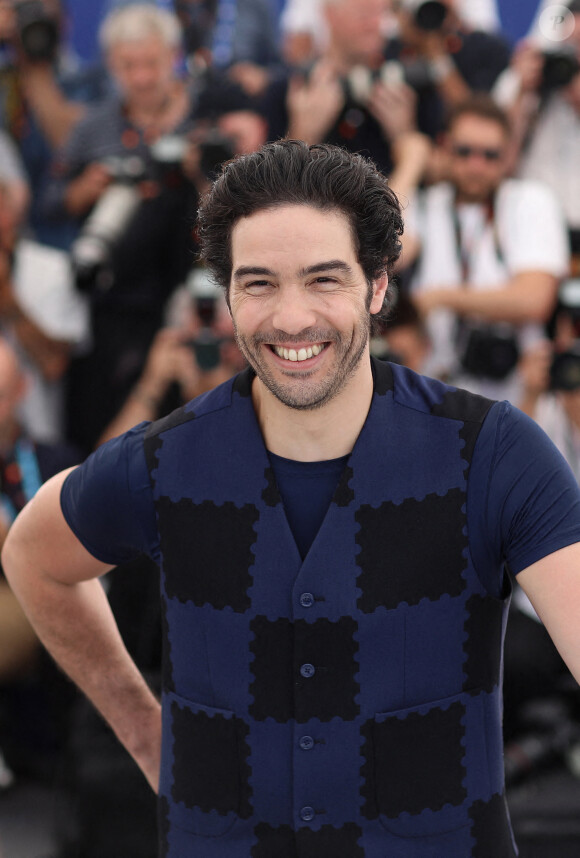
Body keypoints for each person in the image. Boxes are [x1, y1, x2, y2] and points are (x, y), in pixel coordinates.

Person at [3, 139, 580, 857]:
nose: (292, 318)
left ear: (377, 286)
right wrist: (146, 734)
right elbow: (35, 555)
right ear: (227, 295)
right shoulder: (165, 459)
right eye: (259, 284)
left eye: (324, 279)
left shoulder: (495, 454)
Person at [403, 94, 569, 402]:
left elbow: (533, 300)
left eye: (490, 155)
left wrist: (440, 298)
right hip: (436, 389)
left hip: (516, 393)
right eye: (463, 151)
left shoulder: (529, 200)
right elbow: (388, 253)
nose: (476, 165)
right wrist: (413, 162)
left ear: (508, 156)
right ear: (443, 146)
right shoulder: (425, 204)